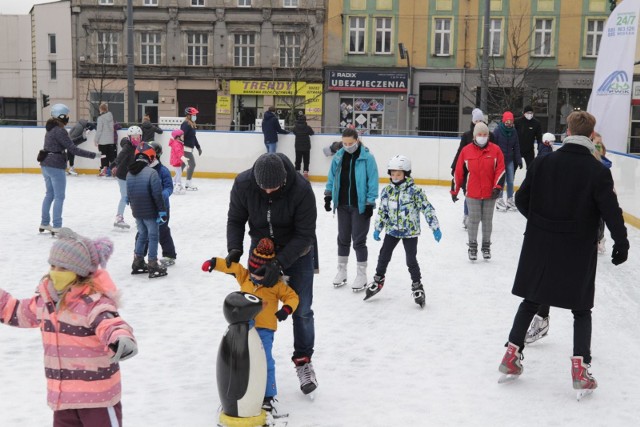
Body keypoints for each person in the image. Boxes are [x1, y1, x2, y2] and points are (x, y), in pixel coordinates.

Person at [498, 111, 629, 398]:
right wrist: (622, 243)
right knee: (581, 309)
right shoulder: (598, 171)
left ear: (567, 131)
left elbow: (521, 199)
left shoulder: (544, 161)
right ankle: (581, 370)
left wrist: (540, 223)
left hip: (540, 244)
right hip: (577, 248)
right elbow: (611, 212)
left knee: (531, 298)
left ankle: (511, 356)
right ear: (592, 136)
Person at [0, 228, 137, 426]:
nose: (55, 272)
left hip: (97, 397)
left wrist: (120, 337)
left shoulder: (93, 301)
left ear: (80, 272)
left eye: (63, 269)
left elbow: (109, 322)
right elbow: (15, 311)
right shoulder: (46, 302)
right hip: (64, 399)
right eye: (53, 266)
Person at [226, 152, 318, 396]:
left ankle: (303, 361)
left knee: (302, 309)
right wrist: (234, 248)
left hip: (297, 252)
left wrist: (279, 264)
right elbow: (236, 219)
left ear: (284, 180)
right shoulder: (244, 183)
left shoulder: (301, 189)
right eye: (263, 188)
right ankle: (255, 358)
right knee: (254, 309)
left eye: (274, 188)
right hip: (261, 252)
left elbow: (306, 234)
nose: (268, 192)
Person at [202, 237, 299, 413]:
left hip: (264, 330)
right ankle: (241, 387)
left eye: (259, 274)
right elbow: (232, 266)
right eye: (253, 272)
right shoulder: (246, 277)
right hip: (243, 328)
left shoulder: (276, 285)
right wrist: (214, 263)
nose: (254, 277)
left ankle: (268, 395)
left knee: (265, 361)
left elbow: (292, 297)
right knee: (240, 360)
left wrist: (286, 309)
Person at [368, 155, 442, 307]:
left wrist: (435, 227)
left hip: (410, 232)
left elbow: (426, 208)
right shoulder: (387, 191)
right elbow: (382, 211)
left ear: (406, 174)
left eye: (399, 174)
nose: (395, 177)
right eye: (393, 174)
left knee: (411, 260)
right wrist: (377, 228)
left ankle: (417, 285)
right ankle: (378, 279)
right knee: (383, 255)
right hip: (392, 230)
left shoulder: (415, 191)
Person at [325, 127, 379, 291]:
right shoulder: (339, 157)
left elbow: (373, 181)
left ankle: (361, 274)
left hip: (360, 206)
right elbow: (331, 176)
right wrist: (328, 195)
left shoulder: (367, 158)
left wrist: (370, 203)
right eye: (344, 143)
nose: (347, 146)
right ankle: (341, 271)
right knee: (342, 238)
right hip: (342, 204)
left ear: (357, 140)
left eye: (350, 143)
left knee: (359, 241)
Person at [39, 104, 97, 234]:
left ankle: (44, 222)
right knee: (59, 196)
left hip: (45, 164)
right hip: (55, 165)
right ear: (61, 116)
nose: (68, 118)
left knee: (49, 194)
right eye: (66, 115)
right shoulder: (60, 130)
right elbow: (73, 149)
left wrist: (82, 137)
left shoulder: (50, 128)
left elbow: (67, 143)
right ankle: (57, 225)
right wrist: (93, 155)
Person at [451, 122, 505, 260]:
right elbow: (458, 172)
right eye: (480, 134)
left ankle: (486, 246)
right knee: (473, 220)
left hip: (490, 193)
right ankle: (472, 247)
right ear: (475, 136)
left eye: (485, 134)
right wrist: (454, 191)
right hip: (472, 192)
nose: (482, 137)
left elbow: (500, 170)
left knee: (487, 220)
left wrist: (497, 187)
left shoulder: (496, 150)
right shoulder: (466, 150)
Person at [126, 143, 168, 278]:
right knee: (153, 236)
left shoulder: (129, 173)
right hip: (150, 211)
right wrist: (162, 211)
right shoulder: (152, 172)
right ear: (150, 157)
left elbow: (129, 193)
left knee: (142, 234)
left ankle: (137, 261)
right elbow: (157, 194)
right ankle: (152, 264)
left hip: (137, 211)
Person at [450, 108, 495, 229]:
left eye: (481, 120)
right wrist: (454, 167)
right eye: (476, 120)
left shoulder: (490, 135)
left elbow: (496, 154)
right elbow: (460, 152)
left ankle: (481, 217)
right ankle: (467, 215)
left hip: (485, 171)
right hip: (468, 170)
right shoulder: (467, 135)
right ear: (473, 121)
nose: (479, 122)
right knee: (468, 193)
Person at [149, 141, 178, 267]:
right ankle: (139, 255)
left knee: (162, 230)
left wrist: (163, 195)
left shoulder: (163, 171)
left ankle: (169, 254)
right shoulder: (143, 170)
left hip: (163, 207)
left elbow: (169, 187)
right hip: (148, 206)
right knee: (144, 231)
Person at [111, 126, 142, 230]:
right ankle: (119, 218)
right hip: (123, 176)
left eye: (138, 137)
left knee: (136, 197)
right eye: (133, 137)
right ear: (129, 138)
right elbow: (120, 156)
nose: (136, 139)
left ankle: (141, 218)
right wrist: (113, 164)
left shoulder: (141, 147)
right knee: (125, 197)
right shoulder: (127, 147)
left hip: (133, 175)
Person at [493, 111, 522, 211]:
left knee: (510, 181)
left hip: (509, 160)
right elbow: (493, 146)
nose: (509, 124)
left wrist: (519, 160)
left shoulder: (514, 132)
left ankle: (510, 199)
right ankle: (499, 199)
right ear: (504, 121)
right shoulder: (497, 131)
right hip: (500, 161)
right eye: (507, 122)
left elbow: (517, 146)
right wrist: (494, 159)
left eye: (511, 122)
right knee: (501, 181)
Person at [180, 107, 202, 191]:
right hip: (185, 148)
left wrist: (198, 147)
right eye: (193, 115)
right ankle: (188, 184)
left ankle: (175, 181)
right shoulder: (186, 124)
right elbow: (182, 136)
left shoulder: (191, 124)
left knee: (182, 165)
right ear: (188, 115)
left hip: (188, 148)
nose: (195, 116)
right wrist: (180, 147)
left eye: (195, 115)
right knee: (192, 164)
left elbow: (193, 137)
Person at [514, 105, 543, 169]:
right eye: (528, 113)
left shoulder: (536, 123)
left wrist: (540, 148)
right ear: (524, 113)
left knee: (531, 169)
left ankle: (529, 179)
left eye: (531, 113)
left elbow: (539, 137)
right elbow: (513, 134)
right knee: (514, 167)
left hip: (529, 150)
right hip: (518, 149)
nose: (529, 114)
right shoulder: (517, 122)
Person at [94, 103, 116, 177]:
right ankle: (114, 169)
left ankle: (104, 170)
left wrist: (96, 140)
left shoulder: (100, 118)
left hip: (103, 141)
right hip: (110, 141)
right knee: (111, 157)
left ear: (101, 109)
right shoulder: (111, 117)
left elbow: (99, 130)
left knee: (103, 156)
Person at [168, 129, 187, 194]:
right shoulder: (176, 143)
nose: (183, 137)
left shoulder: (178, 143)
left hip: (177, 160)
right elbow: (178, 152)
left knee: (178, 173)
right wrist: (182, 157)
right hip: (176, 161)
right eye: (182, 136)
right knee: (179, 173)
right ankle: (178, 186)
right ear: (178, 137)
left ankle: (173, 184)